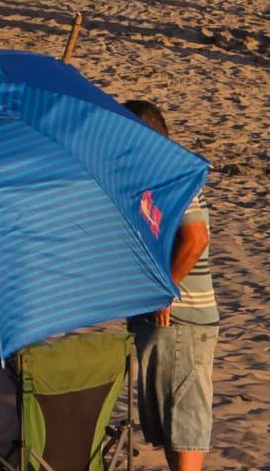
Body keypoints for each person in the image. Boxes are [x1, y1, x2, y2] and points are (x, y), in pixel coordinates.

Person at [123, 101, 217, 471]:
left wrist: (164, 287)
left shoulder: (174, 177)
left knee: (185, 425)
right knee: (171, 426)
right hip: (166, 322)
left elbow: (196, 238)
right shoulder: (152, 180)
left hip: (181, 321)